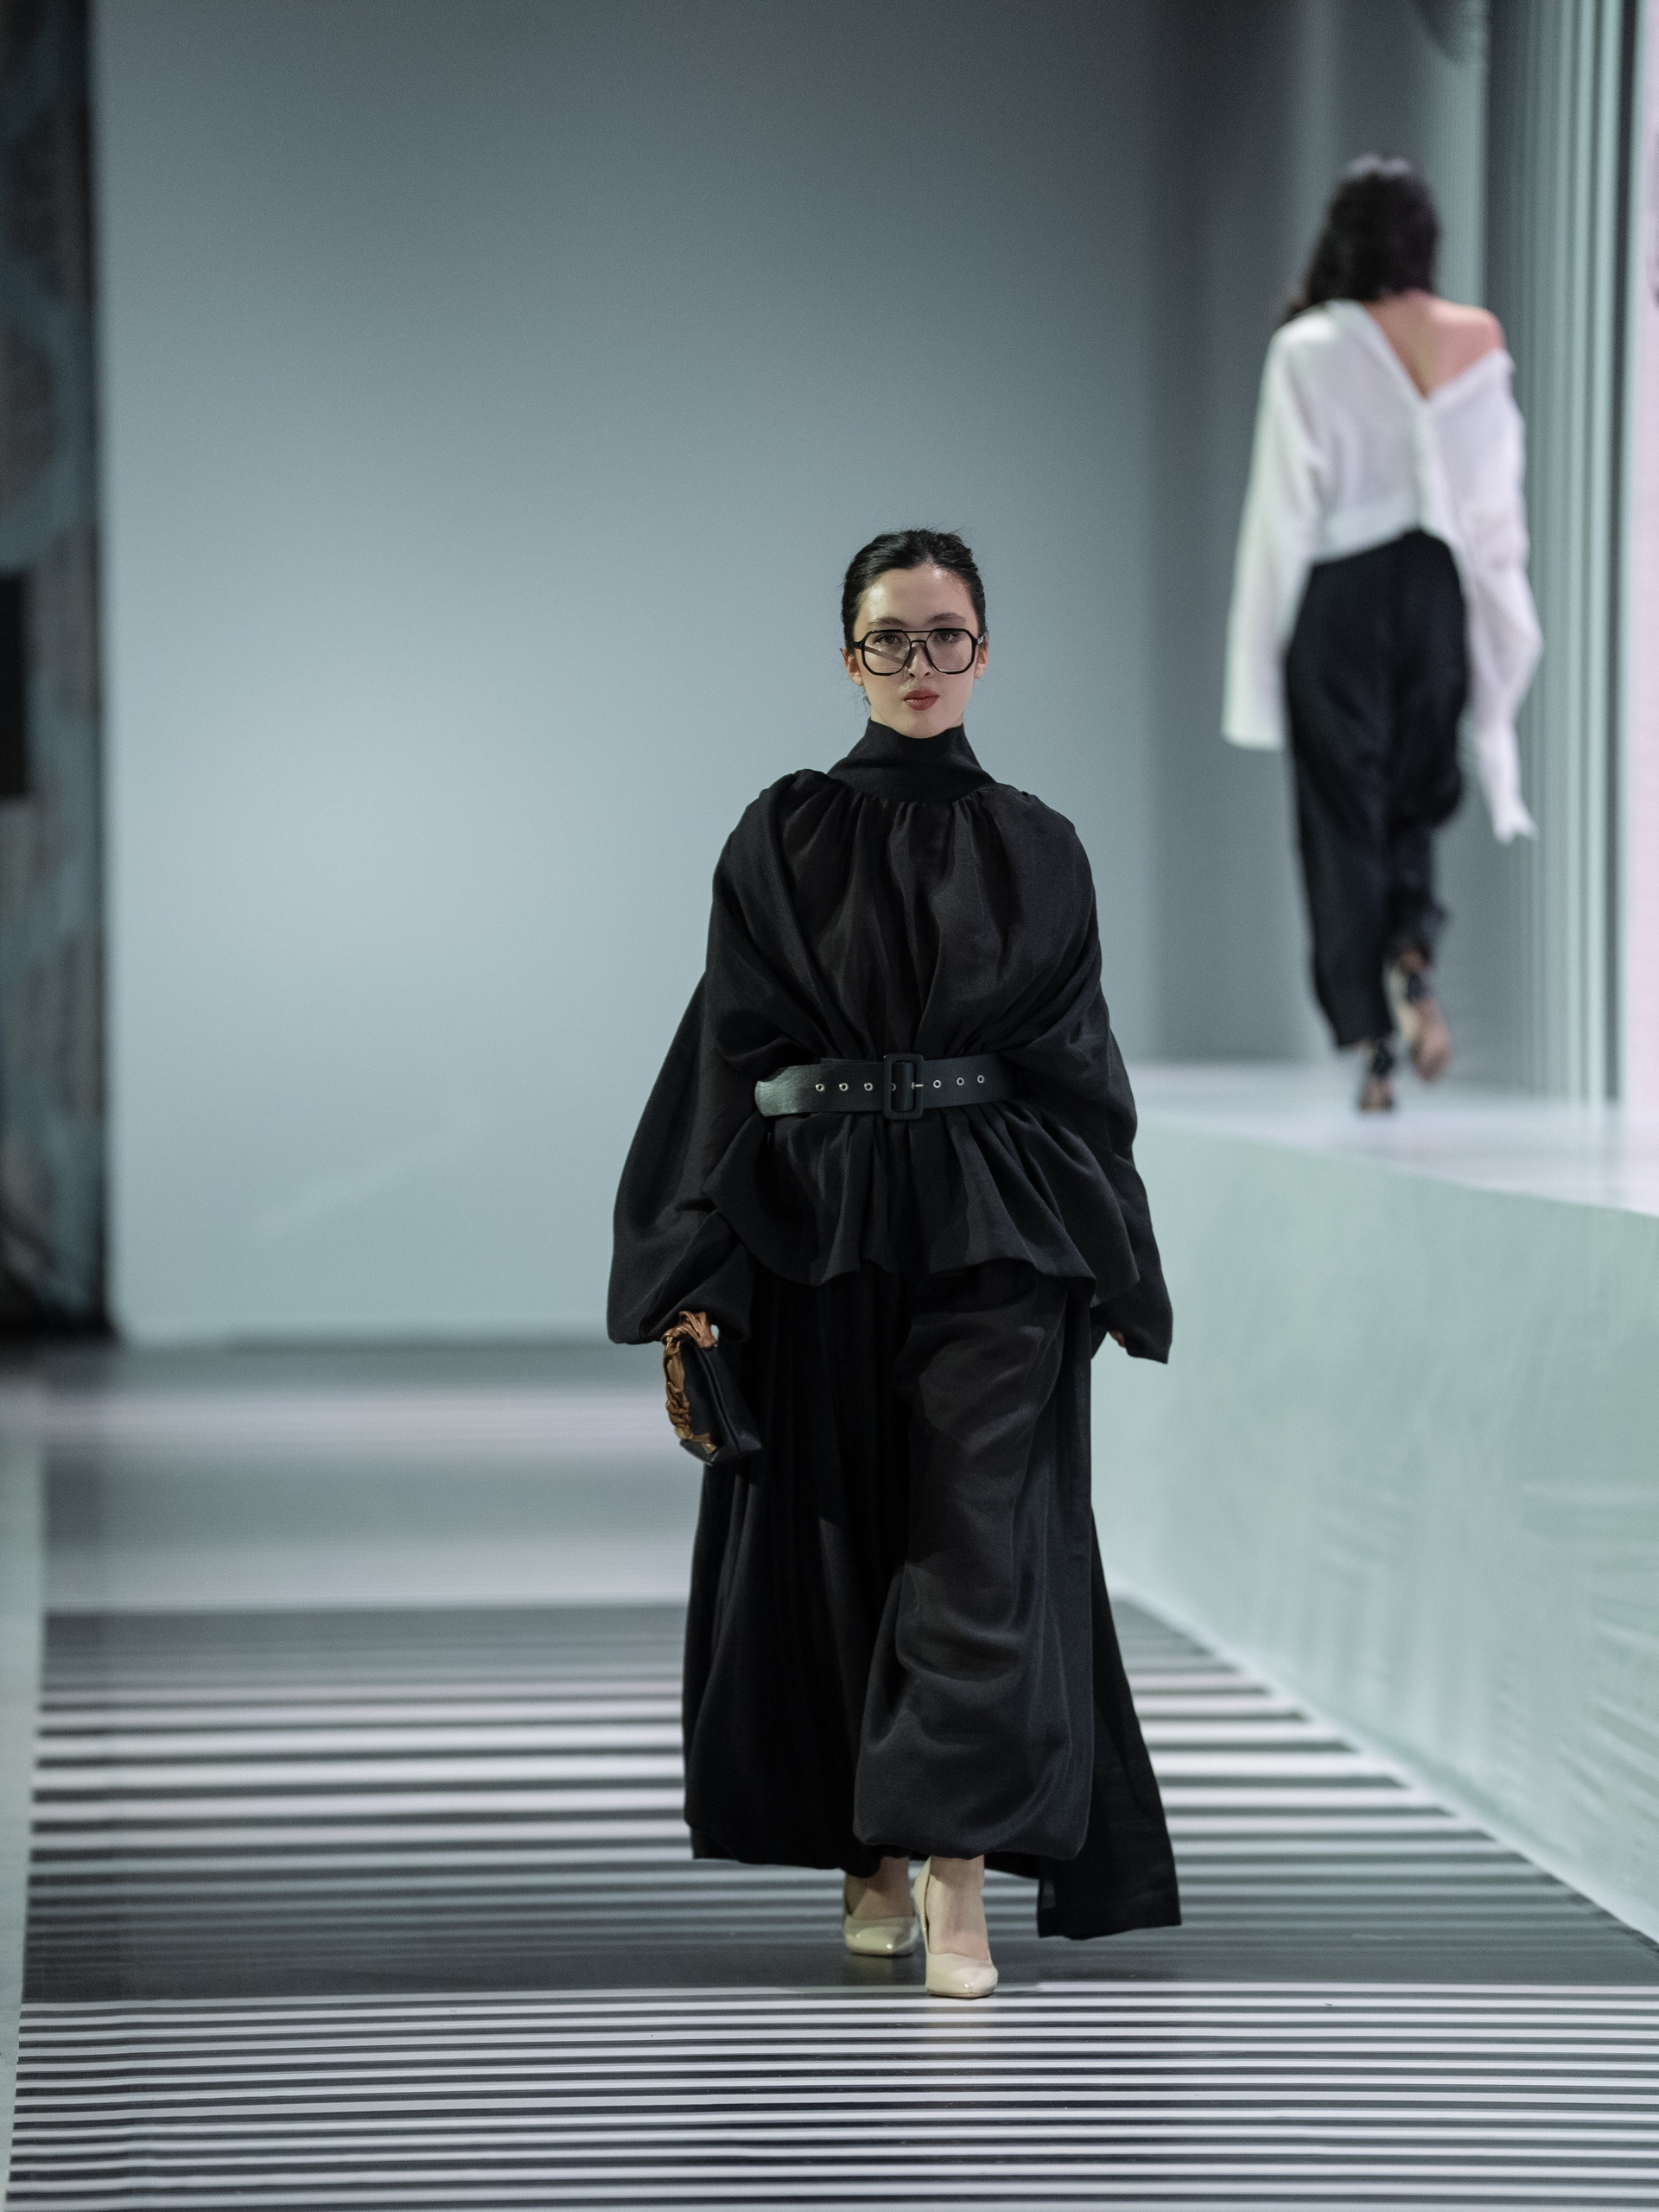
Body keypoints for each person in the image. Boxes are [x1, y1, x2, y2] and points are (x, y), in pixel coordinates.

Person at [609, 528, 1179, 1999]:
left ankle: (958, 1877)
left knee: (979, 1548)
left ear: (986, 652)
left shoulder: (1040, 845)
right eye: (891, 638)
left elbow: (1076, 1063)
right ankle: (872, 1849)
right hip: (818, 1221)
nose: (920, 664)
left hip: (992, 1226)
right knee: (842, 1535)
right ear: (848, 657)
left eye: (945, 636)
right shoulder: (780, 835)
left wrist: (1107, 1247)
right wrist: (695, 1272)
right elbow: (728, 1051)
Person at [1224, 156, 1541, 1111]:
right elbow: (1496, 511)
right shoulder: (1476, 337)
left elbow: (1281, 515)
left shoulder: (1309, 345)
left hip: (1341, 591)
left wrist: (1257, 670)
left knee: (1342, 815)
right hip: (1439, 588)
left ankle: (1371, 1045)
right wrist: (1500, 635)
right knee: (1413, 799)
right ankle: (1413, 952)